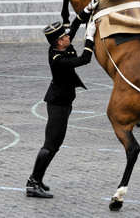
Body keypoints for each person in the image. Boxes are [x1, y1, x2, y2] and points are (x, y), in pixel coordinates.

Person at [26, 16, 96, 198]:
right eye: (65, 37)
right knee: (50, 145)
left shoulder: (59, 47)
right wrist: (90, 37)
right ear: (59, 42)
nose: (68, 37)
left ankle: (37, 178)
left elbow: (74, 27)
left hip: (64, 104)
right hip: (58, 105)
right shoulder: (58, 59)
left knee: (56, 144)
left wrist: (87, 11)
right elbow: (85, 59)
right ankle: (33, 184)